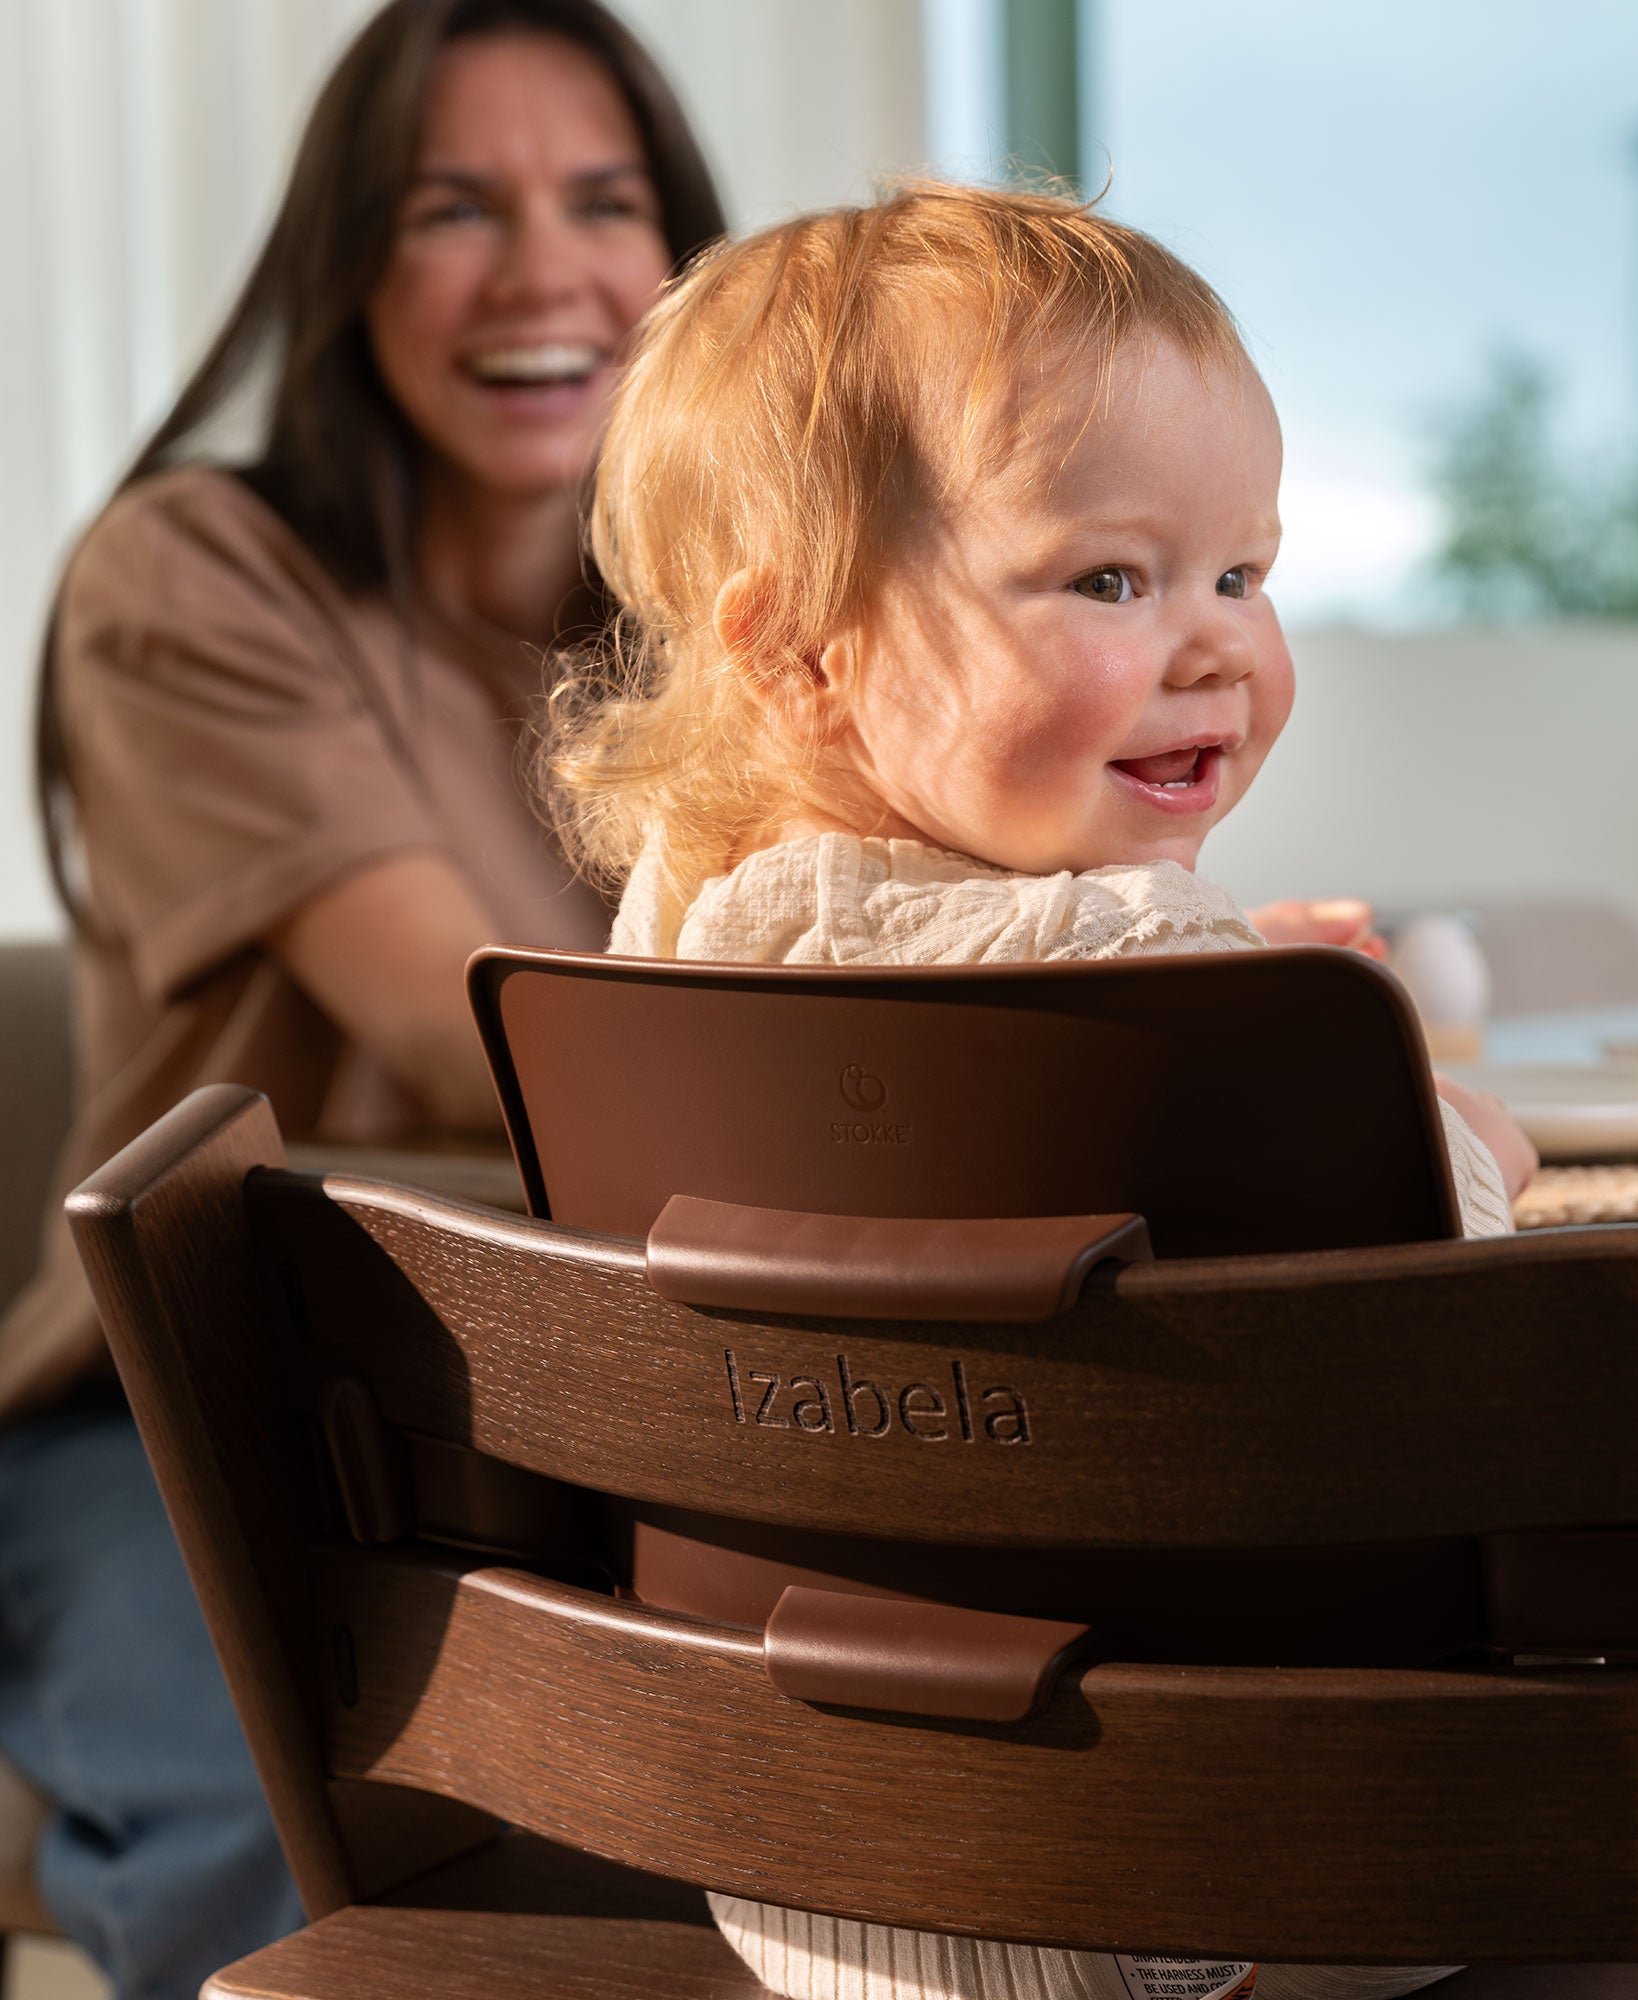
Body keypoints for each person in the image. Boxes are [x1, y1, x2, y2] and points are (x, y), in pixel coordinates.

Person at [550, 181, 1538, 2000]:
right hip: (1196, 1874)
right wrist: (1439, 1113)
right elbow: (1447, 1317)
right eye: (1111, 579)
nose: (1217, 645)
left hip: (806, 1861)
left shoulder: (670, 950)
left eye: (1243, 574)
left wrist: (1236, 989)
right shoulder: (1147, 980)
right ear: (803, 654)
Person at [1, 3, 723, 1993]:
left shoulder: (725, 632)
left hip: (603, 1415)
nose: (544, 272)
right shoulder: (195, 575)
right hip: (183, 1419)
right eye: (451, 209)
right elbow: (455, 1030)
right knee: (297, 1857)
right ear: (346, 263)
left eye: (603, 202)